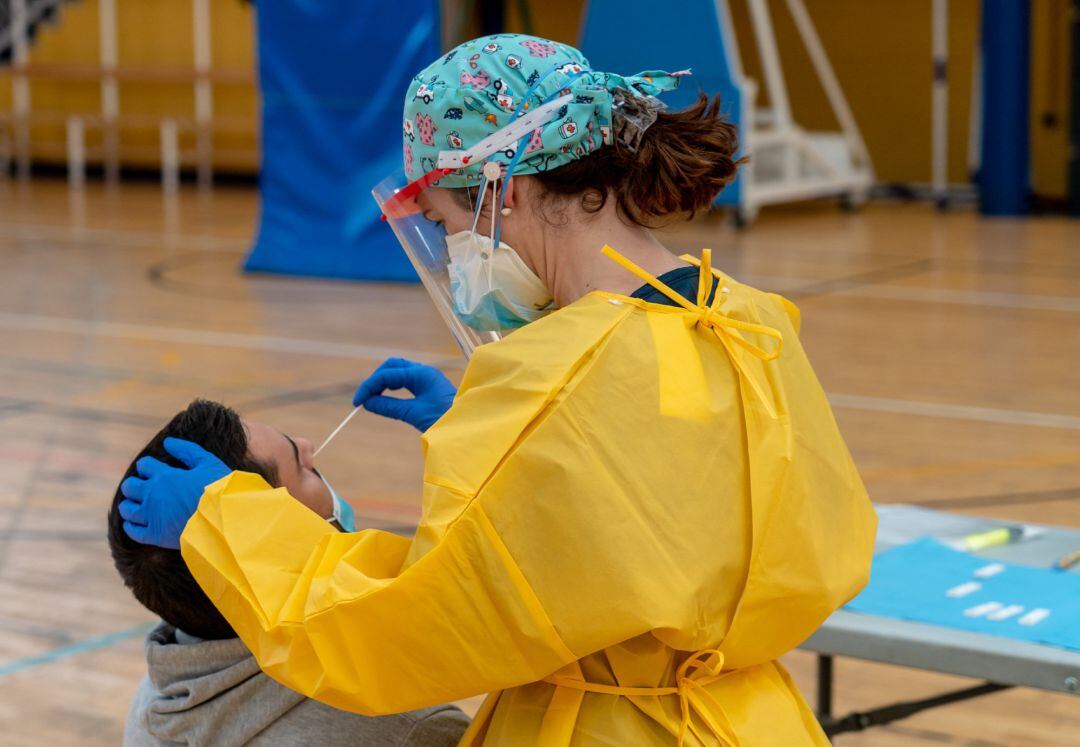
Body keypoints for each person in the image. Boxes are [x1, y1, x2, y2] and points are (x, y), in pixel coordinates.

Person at [119, 34, 877, 745]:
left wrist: (226, 520)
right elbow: (662, 506)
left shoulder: (545, 375)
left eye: (448, 222)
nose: (452, 254)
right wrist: (498, 454)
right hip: (756, 718)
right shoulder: (750, 321)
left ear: (499, 191)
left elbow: (404, 631)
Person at [108, 399, 469, 746]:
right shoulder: (412, 731)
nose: (309, 446)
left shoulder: (153, 703)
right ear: (277, 537)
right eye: (302, 468)